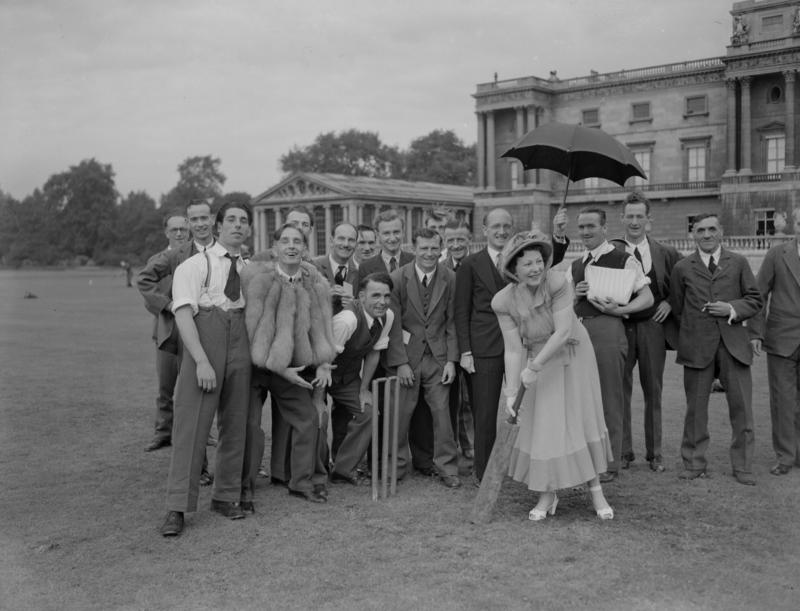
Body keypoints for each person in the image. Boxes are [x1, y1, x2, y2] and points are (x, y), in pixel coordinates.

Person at [492, 231, 613, 520]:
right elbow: (512, 349)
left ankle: (596, 490)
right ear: (513, 270)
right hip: (537, 357)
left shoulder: (558, 283)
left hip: (573, 354)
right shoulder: (502, 301)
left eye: (538, 261)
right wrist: (510, 392)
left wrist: (532, 368)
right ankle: (548, 493)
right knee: (545, 425)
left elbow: (563, 333)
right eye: (527, 264)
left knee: (579, 417)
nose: (535, 269)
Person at [455, 207, 570, 481]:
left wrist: (557, 235)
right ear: (484, 230)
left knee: (528, 410)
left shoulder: (521, 261)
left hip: (527, 345)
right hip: (485, 349)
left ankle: (525, 468)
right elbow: (461, 310)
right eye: (495, 226)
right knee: (484, 414)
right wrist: (465, 351)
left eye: (507, 226)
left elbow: (546, 263)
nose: (502, 231)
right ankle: (485, 472)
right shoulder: (471, 263)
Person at [159, 202, 253, 537]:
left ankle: (226, 496)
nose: (238, 226)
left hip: (240, 340)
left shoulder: (252, 268)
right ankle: (177, 508)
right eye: (231, 220)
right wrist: (200, 360)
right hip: (206, 338)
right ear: (218, 225)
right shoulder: (195, 265)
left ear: (250, 229)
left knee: (236, 420)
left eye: (244, 221)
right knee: (192, 424)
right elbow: (184, 314)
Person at [240, 223, 336, 506]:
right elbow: (253, 334)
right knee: (249, 426)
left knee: (308, 420)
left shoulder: (316, 287)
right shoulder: (259, 281)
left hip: (290, 371)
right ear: (275, 248)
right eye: (285, 241)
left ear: (305, 250)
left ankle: (301, 482)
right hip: (257, 368)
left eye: (297, 241)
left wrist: (322, 363)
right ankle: (242, 488)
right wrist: (281, 369)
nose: (291, 246)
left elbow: (323, 332)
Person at [670, 212, 763, 485]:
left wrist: (732, 308)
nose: (706, 234)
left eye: (711, 229)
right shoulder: (683, 267)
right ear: (693, 234)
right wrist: (693, 333)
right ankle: (694, 463)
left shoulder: (739, 261)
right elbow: (678, 309)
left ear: (721, 231)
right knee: (695, 411)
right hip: (697, 348)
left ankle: (743, 467)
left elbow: (755, 299)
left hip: (733, 345)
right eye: (700, 230)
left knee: (742, 409)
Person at [566, 207, 653, 484]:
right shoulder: (576, 264)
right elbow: (565, 305)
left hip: (608, 331)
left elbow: (648, 297)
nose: (585, 232)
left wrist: (620, 310)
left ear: (604, 228)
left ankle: (610, 463)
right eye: (581, 227)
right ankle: (585, 458)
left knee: (609, 396)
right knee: (580, 397)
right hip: (579, 330)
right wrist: (574, 294)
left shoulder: (623, 258)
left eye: (591, 226)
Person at [137, 199, 217, 483]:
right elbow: (144, 280)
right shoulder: (173, 256)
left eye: (200, 220)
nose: (185, 231)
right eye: (184, 224)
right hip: (177, 335)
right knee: (179, 394)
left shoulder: (223, 251)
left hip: (217, 334)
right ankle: (196, 466)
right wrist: (170, 305)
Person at [610, 192, 683, 472]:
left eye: (640, 216)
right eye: (630, 216)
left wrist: (669, 302)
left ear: (648, 220)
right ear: (622, 219)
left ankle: (655, 454)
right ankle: (625, 452)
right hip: (621, 327)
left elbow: (686, 279)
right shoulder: (611, 252)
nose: (635, 221)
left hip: (653, 329)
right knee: (621, 392)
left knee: (654, 391)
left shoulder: (667, 252)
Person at [386, 227, 460, 487]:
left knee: (442, 416)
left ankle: (448, 469)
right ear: (414, 249)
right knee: (400, 416)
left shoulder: (450, 278)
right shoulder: (397, 278)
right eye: (423, 248)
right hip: (407, 358)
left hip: (438, 358)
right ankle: (394, 467)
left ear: (441, 249)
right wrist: (401, 363)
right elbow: (392, 325)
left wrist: (451, 360)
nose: (429, 253)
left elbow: (453, 321)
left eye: (434, 248)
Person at [327, 273, 395, 483]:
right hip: (319, 374)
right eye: (376, 296)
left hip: (346, 378)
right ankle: (315, 471)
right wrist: (316, 399)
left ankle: (342, 470)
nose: (382, 302)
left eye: (386, 296)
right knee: (315, 419)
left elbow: (375, 352)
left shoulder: (388, 316)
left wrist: (364, 388)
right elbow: (324, 359)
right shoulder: (347, 320)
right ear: (361, 296)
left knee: (369, 413)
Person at [751, 207, 800, 475]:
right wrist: (756, 333)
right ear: (794, 225)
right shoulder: (776, 254)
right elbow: (760, 295)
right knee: (783, 400)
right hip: (782, 339)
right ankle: (784, 457)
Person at [137, 209, 189, 453]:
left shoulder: (198, 258)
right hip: (166, 331)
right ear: (166, 232)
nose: (179, 233)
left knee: (195, 387)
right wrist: (169, 307)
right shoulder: (157, 261)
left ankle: (201, 432)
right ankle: (162, 434)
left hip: (196, 335)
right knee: (165, 388)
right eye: (174, 229)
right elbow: (149, 300)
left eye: (183, 229)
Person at [442, 219, 475, 459]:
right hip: (447, 343)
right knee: (450, 398)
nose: (456, 245)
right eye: (450, 240)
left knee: (472, 398)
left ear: (470, 240)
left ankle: (471, 443)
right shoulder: (440, 267)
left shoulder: (478, 264)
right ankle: (451, 442)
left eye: (460, 239)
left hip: (474, 340)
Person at [313, 221, 359, 315]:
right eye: (341, 238)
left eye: (351, 240)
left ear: (356, 244)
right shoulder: (314, 268)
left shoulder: (360, 272)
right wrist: (325, 297)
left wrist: (354, 304)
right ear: (331, 241)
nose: (346, 244)